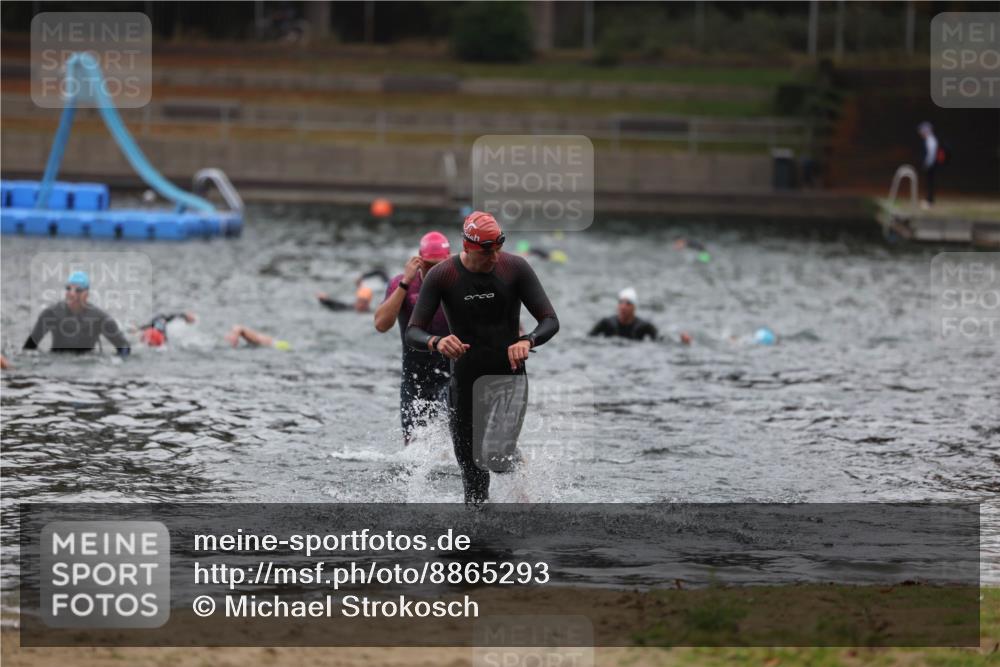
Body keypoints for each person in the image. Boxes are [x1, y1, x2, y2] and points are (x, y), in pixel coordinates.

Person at [406, 212, 559, 504]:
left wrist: (528, 340)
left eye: (498, 247)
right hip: (465, 381)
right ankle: (475, 543)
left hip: (508, 377)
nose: (494, 255)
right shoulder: (443, 275)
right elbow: (413, 332)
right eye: (487, 250)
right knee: (473, 478)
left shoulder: (515, 268)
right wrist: (437, 342)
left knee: (497, 458)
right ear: (467, 247)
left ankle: (518, 473)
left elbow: (550, 320)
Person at [374, 231, 453, 446]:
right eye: (428, 264)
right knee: (413, 448)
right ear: (418, 259)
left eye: (438, 265)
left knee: (453, 443)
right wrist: (405, 283)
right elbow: (381, 324)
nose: (433, 270)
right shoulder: (402, 283)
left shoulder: (458, 284)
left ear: (448, 261)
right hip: (415, 377)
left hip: (452, 375)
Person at [23, 270, 130, 357]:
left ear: (86, 294)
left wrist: (114, 363)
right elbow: (29, 347)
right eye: (68, 289)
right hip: (57, 364)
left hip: (87, 366)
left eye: (78, 290)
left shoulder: (99, 318)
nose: (72, 294)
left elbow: (124, 346)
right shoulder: (51, 314)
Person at [589, 287, 658, 341]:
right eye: (621, 302)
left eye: (628, 303)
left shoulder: (644, 326)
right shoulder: (606, 323)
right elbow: (588, 339)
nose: (623, 307)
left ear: (634, 307)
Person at [317, 269, 389, 312]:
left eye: (364, 302)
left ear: (368, 304)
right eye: (359, 301)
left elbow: (381, 272)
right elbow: (335, 305)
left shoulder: (371, 312)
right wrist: (324, 300)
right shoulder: (350, 308)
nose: (360, 305)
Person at [918, 121, 940, 208]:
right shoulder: (929, 139)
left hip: (931, 165)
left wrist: (927, 164)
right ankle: (929, 199)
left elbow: (931, 154)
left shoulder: (931, 140)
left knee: (930, 183)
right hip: (931, 164)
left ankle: (930, 201)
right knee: (929, 183)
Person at [224, 325, 291, 351]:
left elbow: (238, 328)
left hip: (279, 345)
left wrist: (235, 336)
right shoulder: (254, 339)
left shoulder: (257, 338)